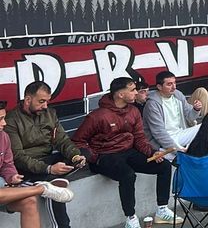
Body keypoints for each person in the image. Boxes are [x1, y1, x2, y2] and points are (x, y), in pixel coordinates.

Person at [71, 77, 180, 228]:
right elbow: (77, 141)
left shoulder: (133, 111)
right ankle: (131, 218)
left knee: (164, 166)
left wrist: (152, 152)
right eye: (133, 90)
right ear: (120, 94)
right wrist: (94, 157)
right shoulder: (97, 116)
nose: (136, 93)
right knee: (128, 175)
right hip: (105, 156)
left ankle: (162, 209)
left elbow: (140, 138)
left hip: (128, 152)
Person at [5, 82, 85, 228]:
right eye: (41, 101)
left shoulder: (49, 113)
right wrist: (49, 169)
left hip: (48, 160)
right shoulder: (11, 120)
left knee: (85, 153)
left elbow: (62, 140)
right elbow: (18, 156)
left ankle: (55, 175)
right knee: (55, 186)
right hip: (27, 166)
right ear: (28, 100)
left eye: (47, 101)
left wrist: (75, 156)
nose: (45, 106)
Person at [142, 71, 203, 160]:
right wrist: (178, 150)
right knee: (182, 156)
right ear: (159, 87)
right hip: (162, 142)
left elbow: (190, 117)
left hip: (180, 134)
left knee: (207, 126)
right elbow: (159, 134)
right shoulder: (152, 104)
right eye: (169, 84)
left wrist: (196, 109)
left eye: (174, 83)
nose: (174, 87)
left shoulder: (178, 94)